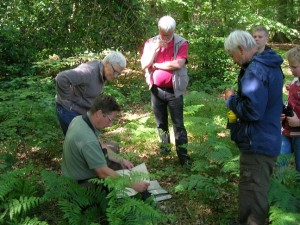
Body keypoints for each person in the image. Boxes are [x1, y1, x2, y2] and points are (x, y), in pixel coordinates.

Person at [224, 30, 284, 225]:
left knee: (253, 196)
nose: (233, 60)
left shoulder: (256, 70)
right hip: (267, 137)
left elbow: (252, 111)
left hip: (257, 142)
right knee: (253, 192)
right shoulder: (268, 63)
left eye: (233, 55)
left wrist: (231, 100)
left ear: (241, 49)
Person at [62, 94, 150, 193]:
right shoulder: (88, 140)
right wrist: (133, 184)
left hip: (75, 171)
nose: (110, 124)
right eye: (109, 119)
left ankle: (118, 177)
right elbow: (102, 172)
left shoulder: (80, 120)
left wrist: (122, 160)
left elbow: (101, 144)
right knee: (118, 190)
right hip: (81, 184)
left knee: (113, 146)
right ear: (99, 113)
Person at [140, 15, 190, 166]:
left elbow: (178, 64)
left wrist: (157, 65)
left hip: (175, 90)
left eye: (168, 35)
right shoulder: (150, 43)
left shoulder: (181, 42)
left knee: (178, 124)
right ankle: (165, 150)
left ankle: (183, 156)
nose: (166, 38)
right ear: (159, 30)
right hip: (156, 89)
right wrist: (155, 50)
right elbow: (144, 64)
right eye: (163, 34)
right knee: (161, 123)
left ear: (174, 31)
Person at [55, 51, 126, 136]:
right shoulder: (89, 71)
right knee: (77, 142)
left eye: (118, 73)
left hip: (81, 111)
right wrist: (68, 99)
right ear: (106, 63)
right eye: (115, 71)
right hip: (69, 111)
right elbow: (61, 78)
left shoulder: (102, 73)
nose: (115, 75)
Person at [279, 46, 300, 172]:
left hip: (299, 134)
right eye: (290, 66)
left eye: (294, 67)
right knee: (281, 161)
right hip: (286, 131)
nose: (291, 70)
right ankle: (279, 188)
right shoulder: (295, 81)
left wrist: (298, 122)